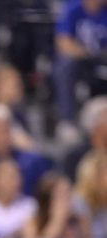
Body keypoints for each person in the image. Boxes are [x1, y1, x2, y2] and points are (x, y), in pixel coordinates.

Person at [53, 0, 107, 136]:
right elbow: (63, 43)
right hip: (79, 59)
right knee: (65, 66)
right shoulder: (73, 8)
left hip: (101, 58)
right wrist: (86, 52)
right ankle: (67, 121)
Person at [20, 171, 91, 238]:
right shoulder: (32, 221)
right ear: (49, 201)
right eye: (63, 195)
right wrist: (58, 221)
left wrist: (83, 223)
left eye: (70, 193)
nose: (69, 200)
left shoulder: (77, 220)